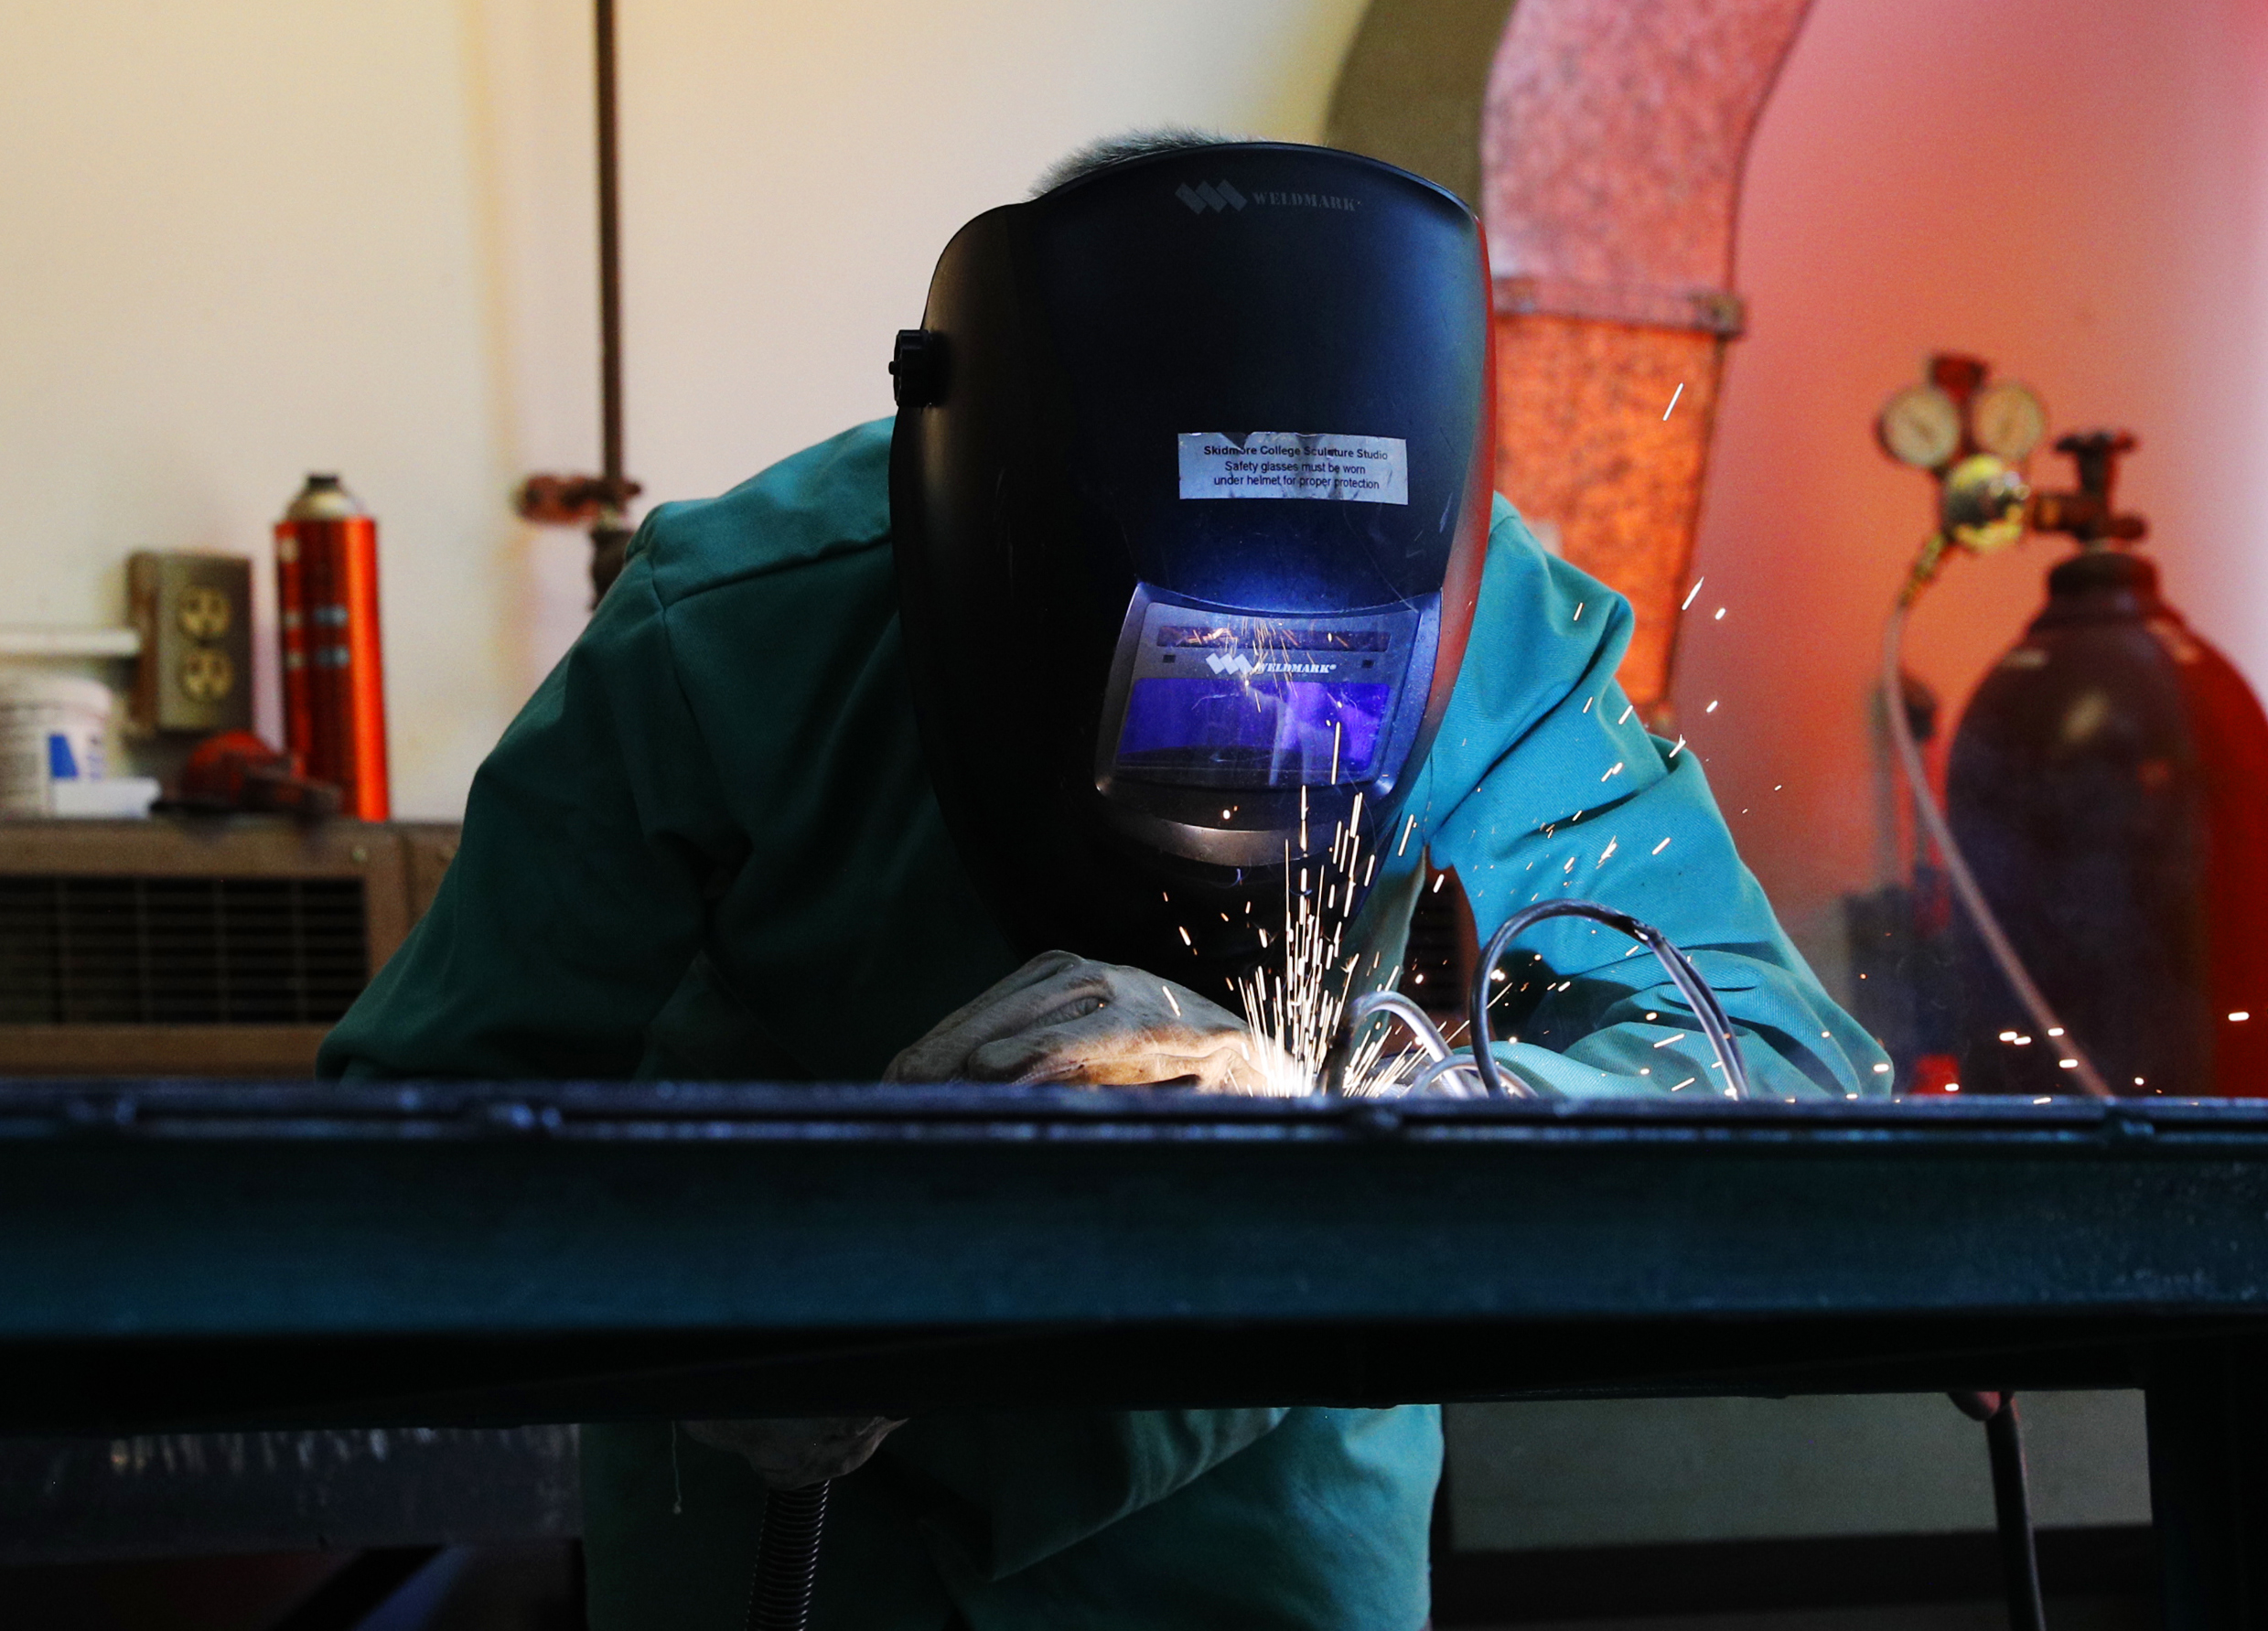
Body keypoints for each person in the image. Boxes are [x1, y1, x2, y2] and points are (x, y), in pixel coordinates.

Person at [320, 132, 1886, 1631]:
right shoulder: (734, 634)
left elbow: (1790, 1078)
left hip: (1271, 1532)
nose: (1250, 733)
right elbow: (399, 1148)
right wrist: (719, 1288)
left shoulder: (1493, 637)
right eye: (1186, 668)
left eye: (1323, 682)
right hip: (798, 1546)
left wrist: (1367, 1125)